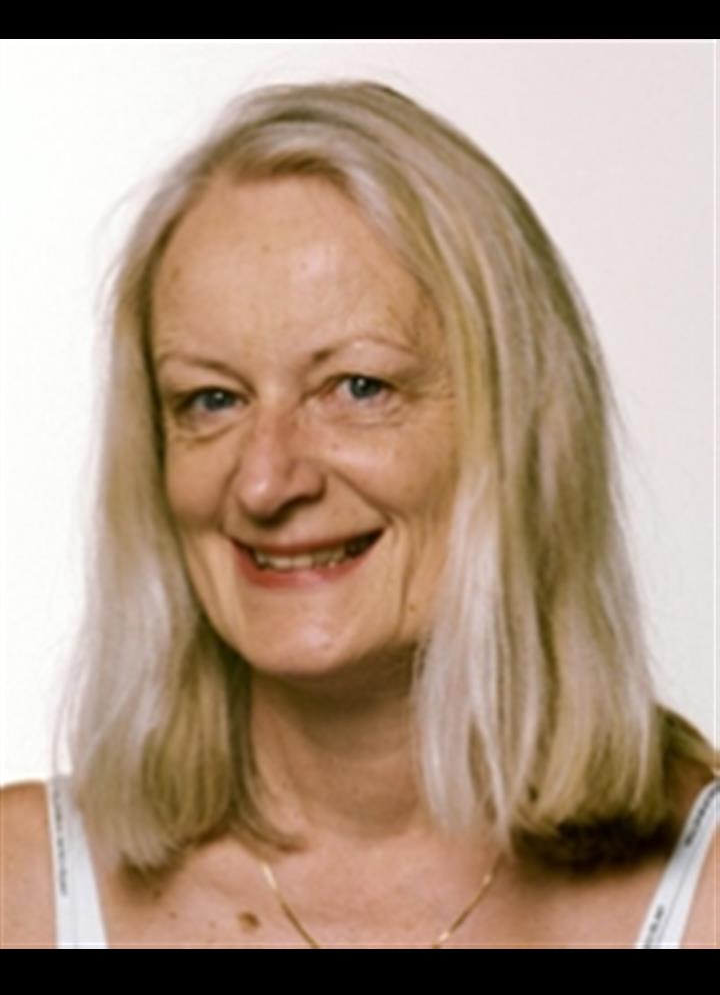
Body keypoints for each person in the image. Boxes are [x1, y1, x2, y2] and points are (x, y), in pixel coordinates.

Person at [2, 80, 717, 949]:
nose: (265, 482)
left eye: (358, 388)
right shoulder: (22, 894)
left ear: (522, 431)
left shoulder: (702, 895)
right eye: (212, 400)